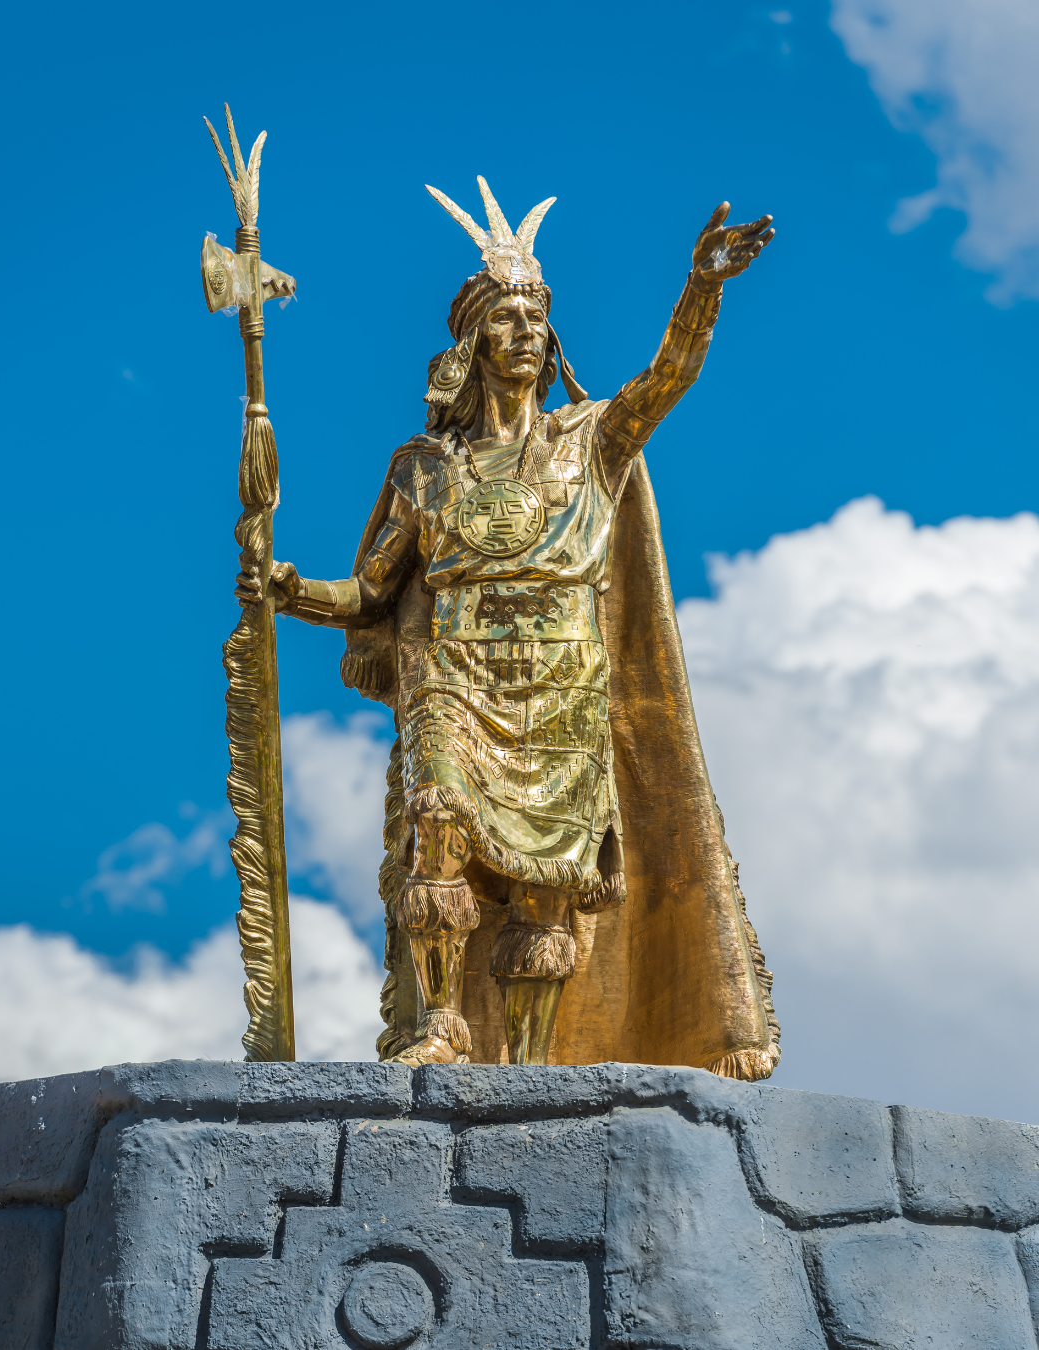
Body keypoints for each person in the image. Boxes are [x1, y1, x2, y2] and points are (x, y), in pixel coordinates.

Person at [247, 178, 780, 1075]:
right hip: (454, 677)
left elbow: (667, 381)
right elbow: (371, 596)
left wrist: (702, 291)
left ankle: (530, 1072)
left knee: (547, 893)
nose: (526, 330)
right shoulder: (423, 469)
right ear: (472, 340)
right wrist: (287, 587)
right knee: (438, 817)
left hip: (562, 683)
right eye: (506, 316)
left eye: (537, 314)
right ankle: (437, 1028)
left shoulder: (592, 441)